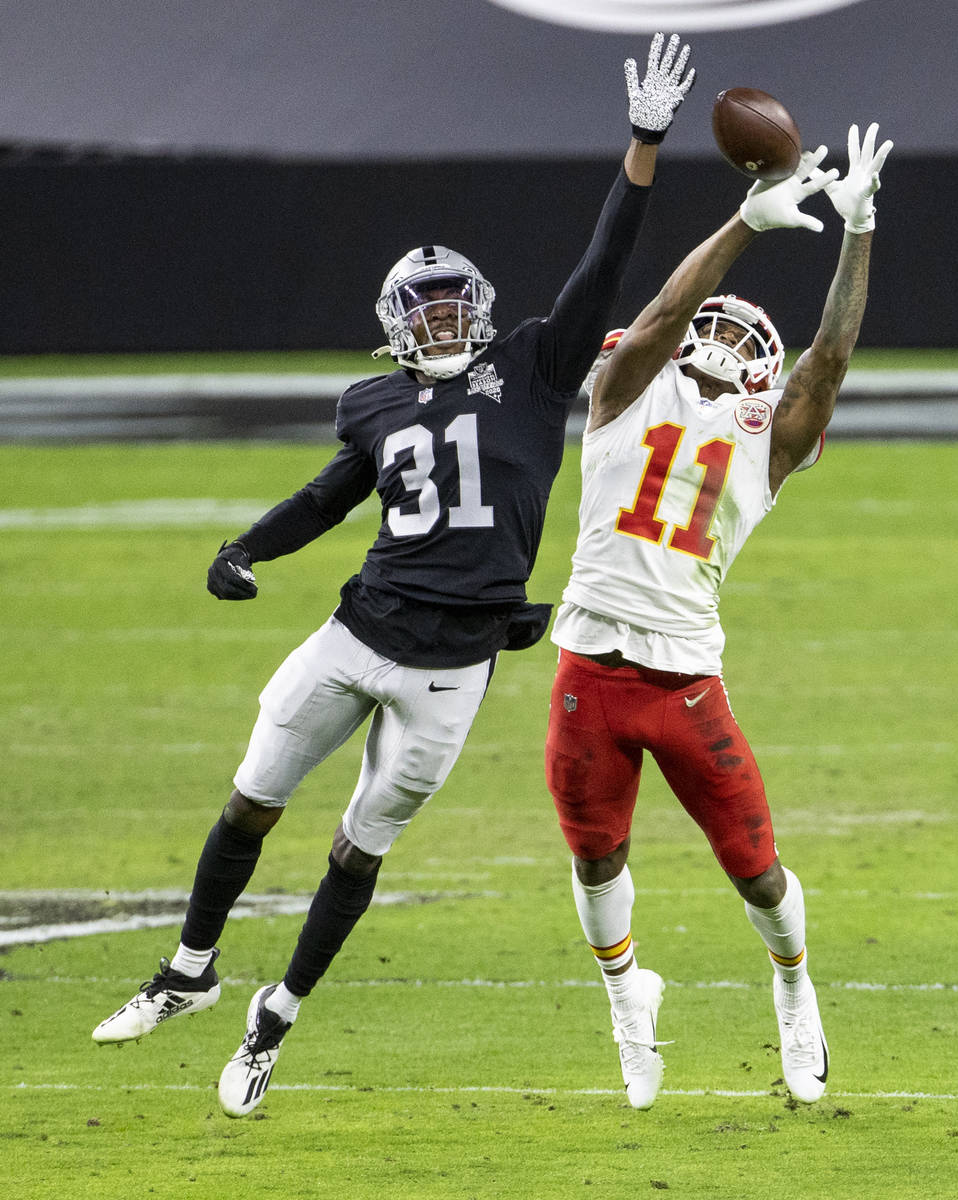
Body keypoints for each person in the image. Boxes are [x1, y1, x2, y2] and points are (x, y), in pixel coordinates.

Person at [91, 33, 698, 1119]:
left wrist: (642, 145)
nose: (444, 322)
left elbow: (602, 266)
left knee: (358, 848)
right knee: (250, 801)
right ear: (392, 328)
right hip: (357, 633)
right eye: (424, 311)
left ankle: (275, 1017)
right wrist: (244, 549)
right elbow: (330, 497)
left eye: (455, 304)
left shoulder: (534, 365)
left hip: (453, 670)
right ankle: (190, 968)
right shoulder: (369, 407)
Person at [544, 123, 892, 1110]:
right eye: (720, 328)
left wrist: (855, 231)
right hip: (592, 671)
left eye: (751, 343)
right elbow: (658, 313)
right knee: (594, 851)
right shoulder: (620, 388)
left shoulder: (763, 438)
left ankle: (793, 988)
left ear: (758, 374)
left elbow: (826, 364)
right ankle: (626, 997)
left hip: (686, 679)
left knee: (756, 871)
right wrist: (745, 219)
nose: (726, 345)